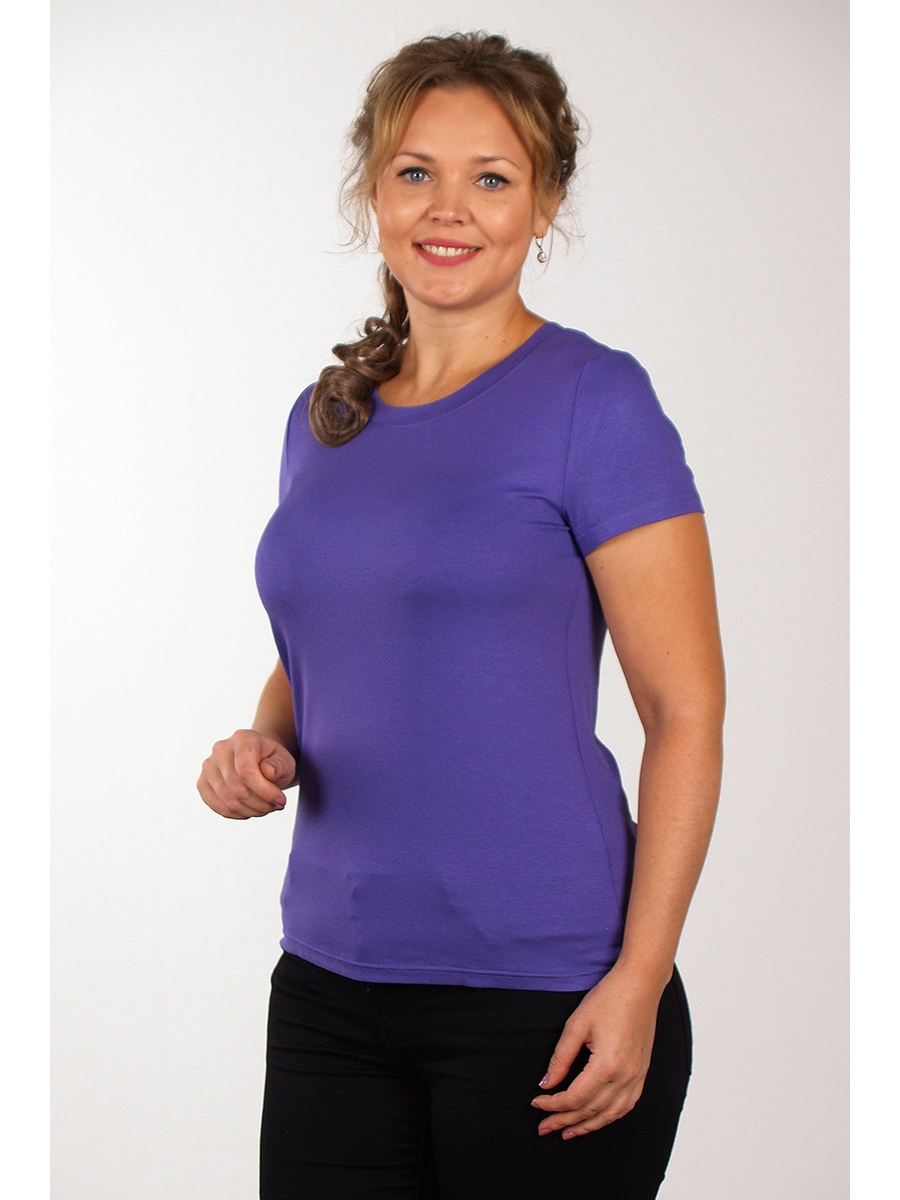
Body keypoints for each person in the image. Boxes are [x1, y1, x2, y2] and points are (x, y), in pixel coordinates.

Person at [197, 31, 724, 1200]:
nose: (449, 208)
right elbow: (329, 646)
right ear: (373, 191)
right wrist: (261, 742)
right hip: (331, 985)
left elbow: (685, 712)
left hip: (547, 996)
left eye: (491, 177)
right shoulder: (325, 417)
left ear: (546, 204)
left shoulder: (596, 401)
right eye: (415, 171)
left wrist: (640, 979)